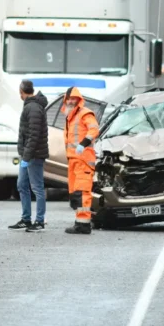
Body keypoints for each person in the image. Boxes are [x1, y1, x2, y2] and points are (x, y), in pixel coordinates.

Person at [9, 80, 48, 231]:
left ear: (21, 91)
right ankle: (26, 219)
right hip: (28, 154)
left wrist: (26, 157)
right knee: (22, 185)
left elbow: (33, 135)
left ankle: (39, 221)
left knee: (37, 188)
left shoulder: (32, 107)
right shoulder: (31, 105)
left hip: (33, 155)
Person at [63, 86, 100, 235]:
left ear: (79, 100)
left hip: (83, 160)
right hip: (73, 160)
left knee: (83, 193)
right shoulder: (70, 116)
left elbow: (94, 129)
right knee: (76, 194)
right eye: (69, 98)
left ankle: (84, 224)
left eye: (74, 98)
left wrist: (83, 144)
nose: (71, 101)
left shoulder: (84, 114)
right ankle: (80, 222)